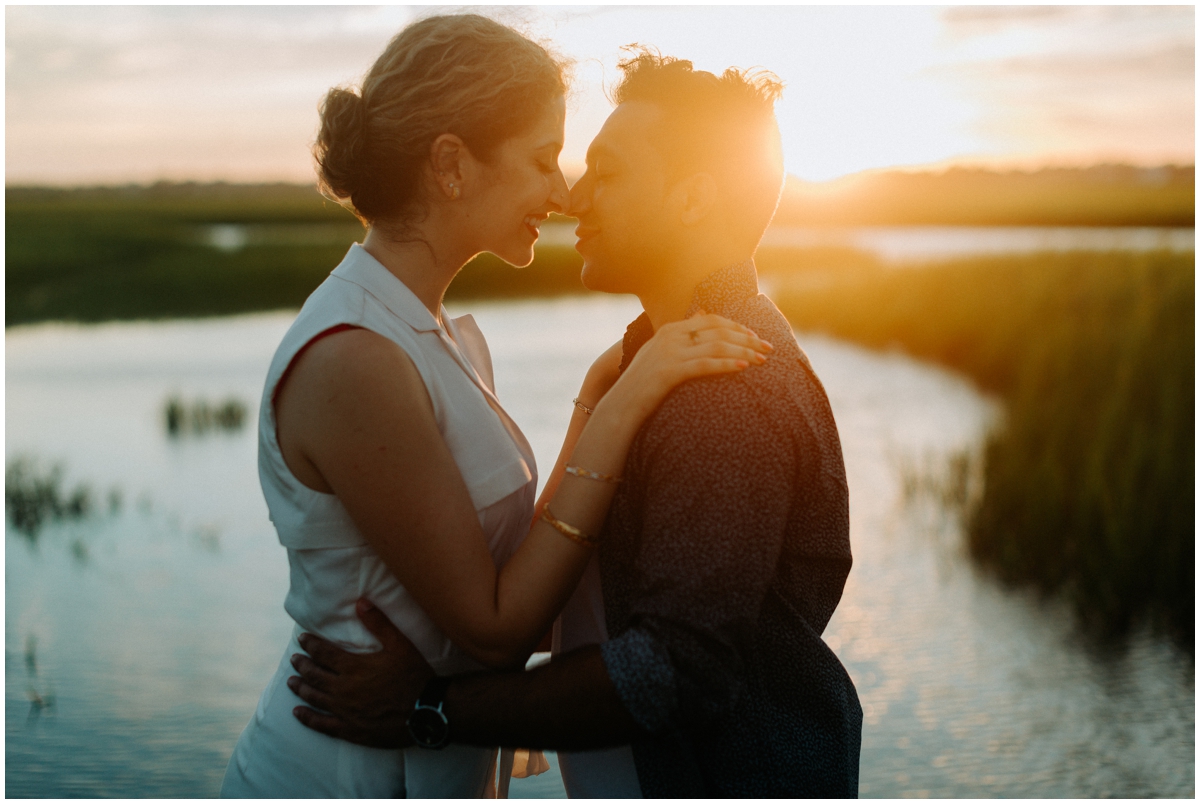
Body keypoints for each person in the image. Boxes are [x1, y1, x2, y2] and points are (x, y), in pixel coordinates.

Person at [219, 20, 773, 799]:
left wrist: (593, 394)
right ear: (451, 165)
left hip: (428, 759)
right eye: (543, 158)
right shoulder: (355, 358)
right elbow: (493, 623)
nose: (563, 191)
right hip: (346, 771)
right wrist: (634, 392)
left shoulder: (436, 334)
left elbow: (521, 571)